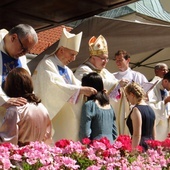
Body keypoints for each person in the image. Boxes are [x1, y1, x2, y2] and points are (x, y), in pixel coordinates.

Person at [32, 28, 97, 142]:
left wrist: (88, 90)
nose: (73, 59)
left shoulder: (65, 69)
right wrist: (80, 90)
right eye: (72, 54)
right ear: (61, 50)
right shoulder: (47, 63)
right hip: (53, 114)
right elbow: (54, 86)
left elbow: (75, 84)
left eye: (75, 55)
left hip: (65, 116)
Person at [74, 35, 128, 135]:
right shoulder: (83, 70)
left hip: (105, 113)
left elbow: (114, 87)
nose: (105, 62)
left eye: (107, 59)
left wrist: (122, 87)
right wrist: (117, 84)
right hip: (90, 112)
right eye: (103, 58)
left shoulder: (105, 71)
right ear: (93, 58)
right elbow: (100, 83)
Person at [0, 67, 52, 147]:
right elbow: (47, 136)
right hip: (39, 154)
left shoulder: (14, 110)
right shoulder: (41, 107)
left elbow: (8, 141)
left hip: (20, 156)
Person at [0, 24, 38, 122]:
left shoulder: (21, 56)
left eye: (27, 51)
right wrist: (4, 100)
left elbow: (26, 81)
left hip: (15, 115)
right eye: (24, 49)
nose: (24, 53)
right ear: (13, 38)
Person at [112, 49, 148, 135]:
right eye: (116, 61)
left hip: (134, 111)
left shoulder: (137, 76)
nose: (118, 63)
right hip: (118, 111)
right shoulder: (112, 76)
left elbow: (145, 94)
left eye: (120, 60)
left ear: (128, 60)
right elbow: (110, 95)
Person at [79, 72, 117, 144]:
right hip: (111, 146)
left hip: (95, 148)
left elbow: (85, 133)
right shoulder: (109, 106)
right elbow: (115, 133)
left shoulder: (89, 105)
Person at [125, 82, 156, 151]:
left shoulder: (136, 110)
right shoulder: (151, 109)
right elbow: (154, 134)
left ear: (132, 95)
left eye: (127, 95)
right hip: (150, 146)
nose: (127, 98)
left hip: (140, 145)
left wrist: (133, 151)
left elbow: (137, 134)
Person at [148, 72, 170, 141]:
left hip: (166, 126)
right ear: (165, 81)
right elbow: (150, 108)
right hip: (157, 128)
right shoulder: (152, 88)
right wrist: (165, 101)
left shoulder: (167, 89)